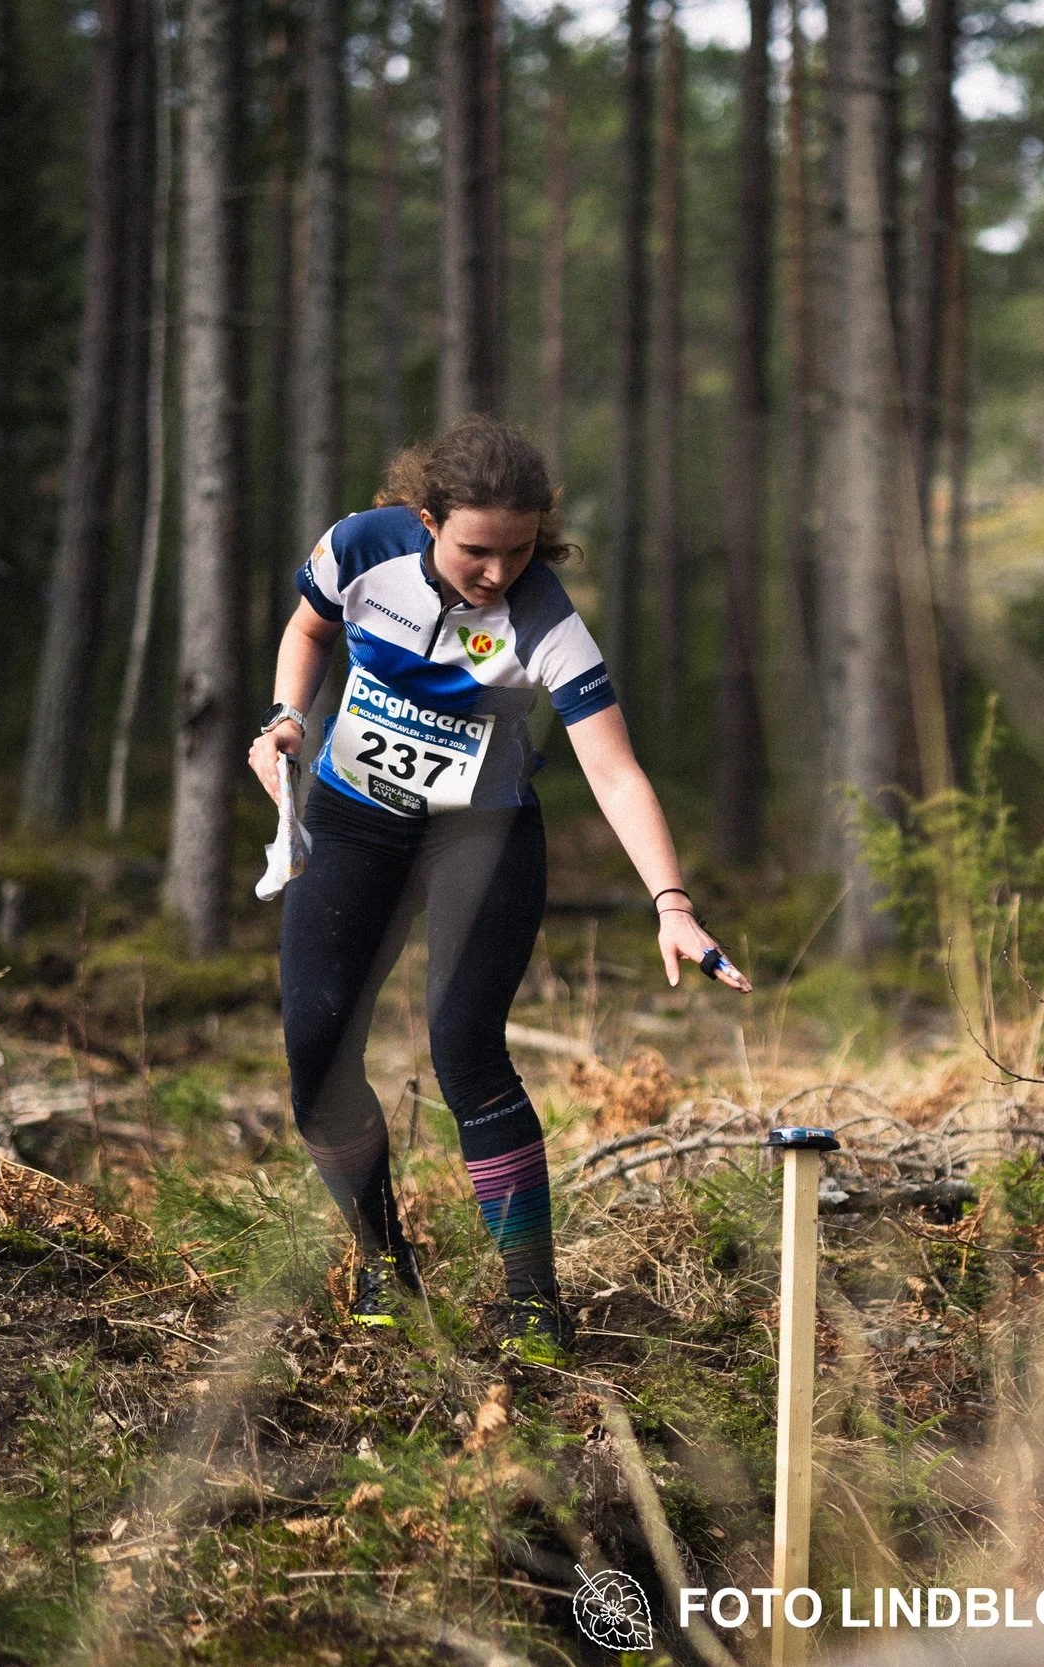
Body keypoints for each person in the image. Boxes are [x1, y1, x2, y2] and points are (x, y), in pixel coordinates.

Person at [250, 415, 751, 1360]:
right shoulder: (361, 546)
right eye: (478, 549)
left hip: (481, 837)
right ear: (427, 516)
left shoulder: (545, 616)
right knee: (316, 1059)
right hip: (356, 817)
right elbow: (309, 628)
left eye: (520, 550)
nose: (497, 573)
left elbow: (613, 771)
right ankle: (382, 1263)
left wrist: (672, 903)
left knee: (465, 1047)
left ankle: (530, 1301)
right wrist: (285, 717)